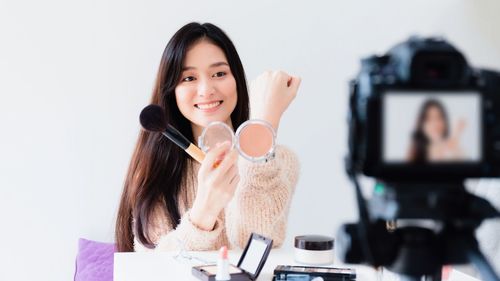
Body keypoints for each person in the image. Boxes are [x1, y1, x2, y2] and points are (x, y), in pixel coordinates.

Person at [115, 22, 301, 252]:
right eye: (188, 78)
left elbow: (255, 247)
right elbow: (154, 268)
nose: (206, 90)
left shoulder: (279, 162)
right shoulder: (155, 169)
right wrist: (204, 211)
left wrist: (264, 125)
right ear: (171, 91)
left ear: (237, 81)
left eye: (219, 73)